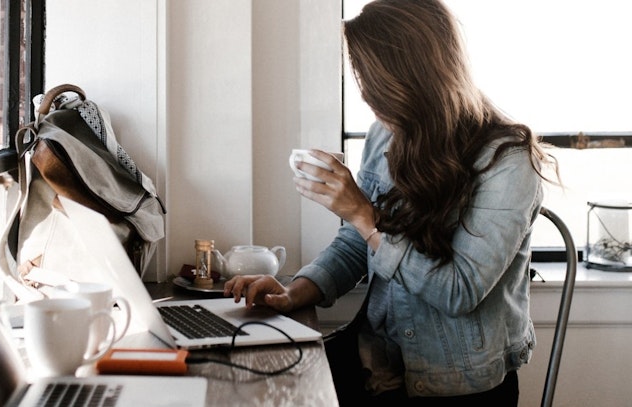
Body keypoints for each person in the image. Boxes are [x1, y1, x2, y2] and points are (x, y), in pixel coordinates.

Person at [224, 0, 558, 405]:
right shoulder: (386, 134)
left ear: (415, 77)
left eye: (373, 82)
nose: (366, 96)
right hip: (378, 360)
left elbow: (459, 291)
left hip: (456, 384)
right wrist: (296, 291)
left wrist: (364, 215)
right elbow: (355, 243)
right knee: (255, 382)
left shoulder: (508, 161)